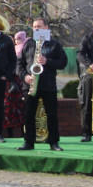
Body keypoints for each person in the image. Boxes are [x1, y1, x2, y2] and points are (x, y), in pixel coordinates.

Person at [16, 17, 67, 151]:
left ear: (46, 28)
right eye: (34, 27)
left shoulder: (54, 44)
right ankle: (29, 142)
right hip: (30, 84)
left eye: (39, 26)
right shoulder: (28, 44)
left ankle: (53, 142)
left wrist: (48, 61)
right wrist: (25, 76)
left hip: (48, 85)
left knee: (51, 115)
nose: (36, 29)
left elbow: (63, 62)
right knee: (28, 114)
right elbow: (19, 65)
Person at [5, 31, 28, 139]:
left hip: (20, 82)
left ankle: (24, 132)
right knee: (9, 109)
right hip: (9, 83)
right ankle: (9, 133)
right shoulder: (9, 52)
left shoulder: (22, 49)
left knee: (22, 108)